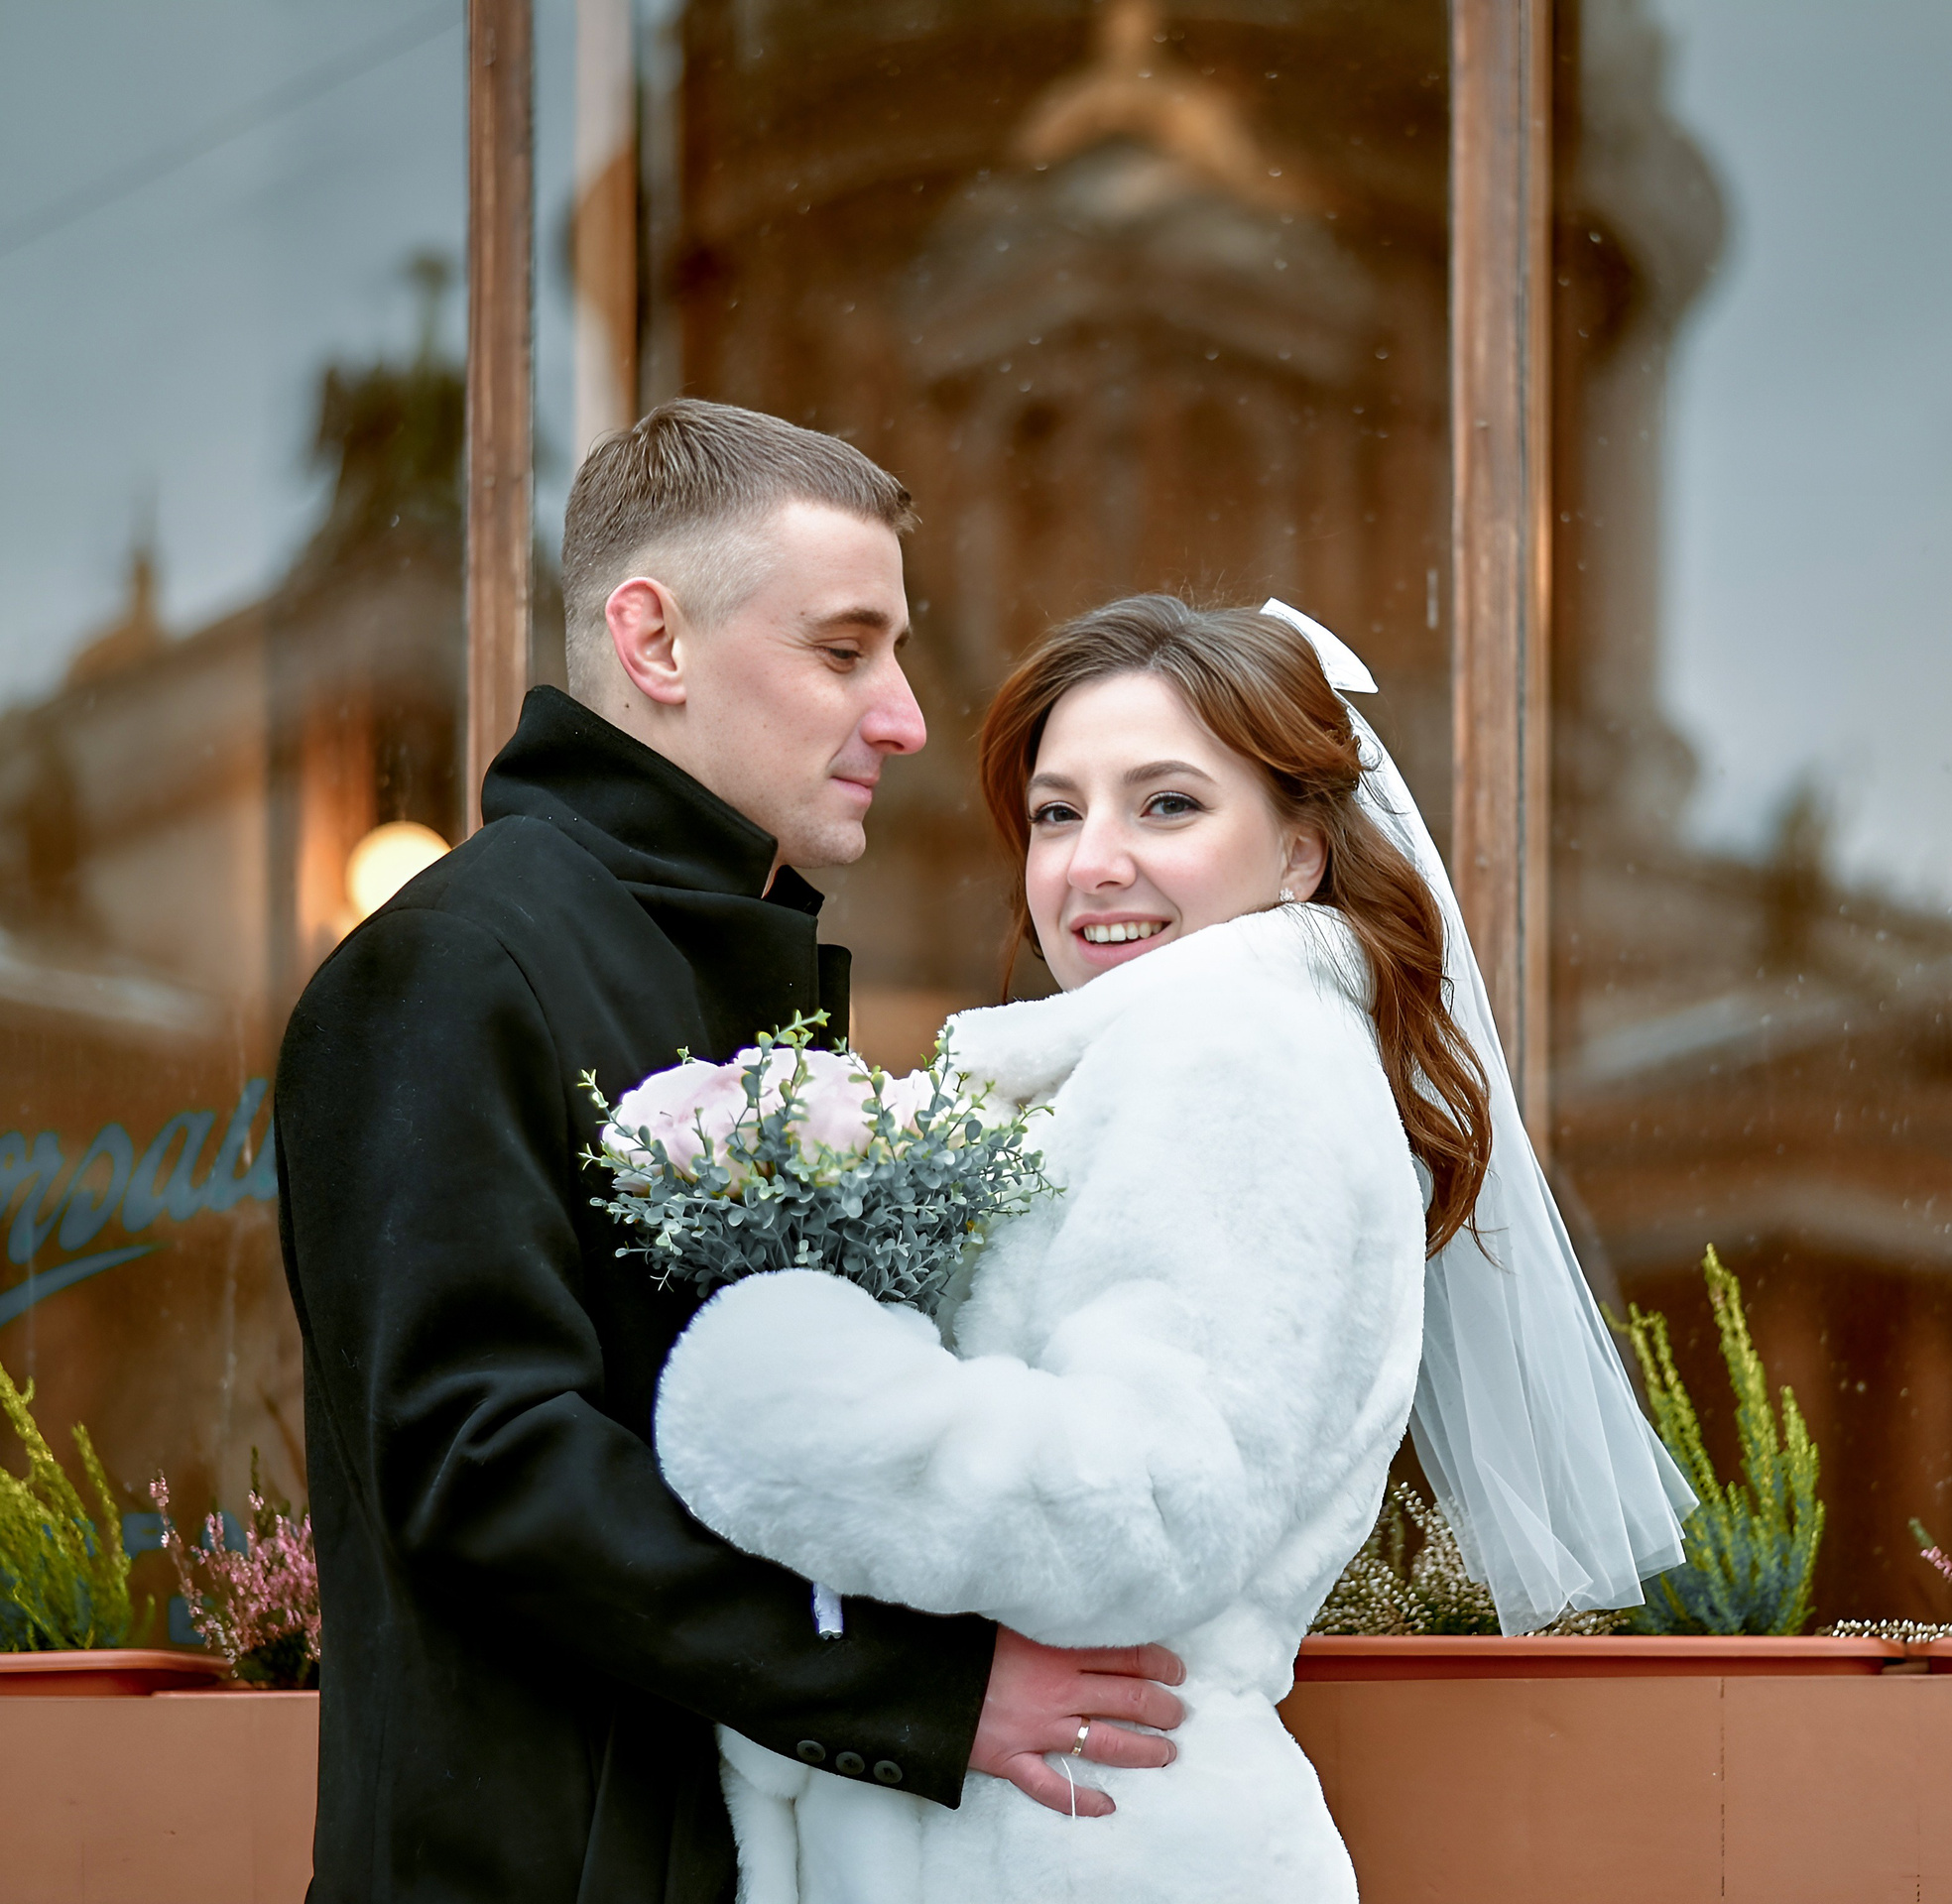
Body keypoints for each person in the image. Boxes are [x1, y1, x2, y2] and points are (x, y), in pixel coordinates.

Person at [274, 401, 1185, 1902]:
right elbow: (484, 1468)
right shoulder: (451, 966)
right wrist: (925, 1688)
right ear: (655, 641)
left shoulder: (706, 957)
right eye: (843, 651)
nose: (900, 715)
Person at [654, 595, 1692, 1902]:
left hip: (1086, 1842)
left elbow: (1140, 1507)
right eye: (1055, 811)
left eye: (1167, 806)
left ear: (1303, 852)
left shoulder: (1234, 1057)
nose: (1092, 862)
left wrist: (773, 1390)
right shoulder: (1134, 1065)